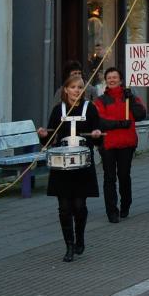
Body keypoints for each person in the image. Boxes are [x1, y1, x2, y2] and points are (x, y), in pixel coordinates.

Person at [38, 75, 102, 262]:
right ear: (65, 90)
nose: (76, 90)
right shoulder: (58, 110)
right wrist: (43, 135)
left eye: (80, 87)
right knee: (64, 208)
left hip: (83, 165)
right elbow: (50, 138)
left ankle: (80, 237)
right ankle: (69, 245)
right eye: (73, 87)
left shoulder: (90, 108)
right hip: (62, 166)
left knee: (79, 206)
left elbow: (98, 133)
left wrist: (97, 135)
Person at [94, 67, 147, 223]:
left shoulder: (130, 98)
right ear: (106, 80)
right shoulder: (101, 100)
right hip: (108, 143)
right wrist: (119, 123)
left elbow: (140, 115)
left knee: (124, 175)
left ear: (121, 80)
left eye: (114, 77)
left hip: (127, 142)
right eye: (109, 77)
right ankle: (111, 211)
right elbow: (100, 121)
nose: (112, 80)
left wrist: (131, 101)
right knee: (109, 178)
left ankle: (125, 204)